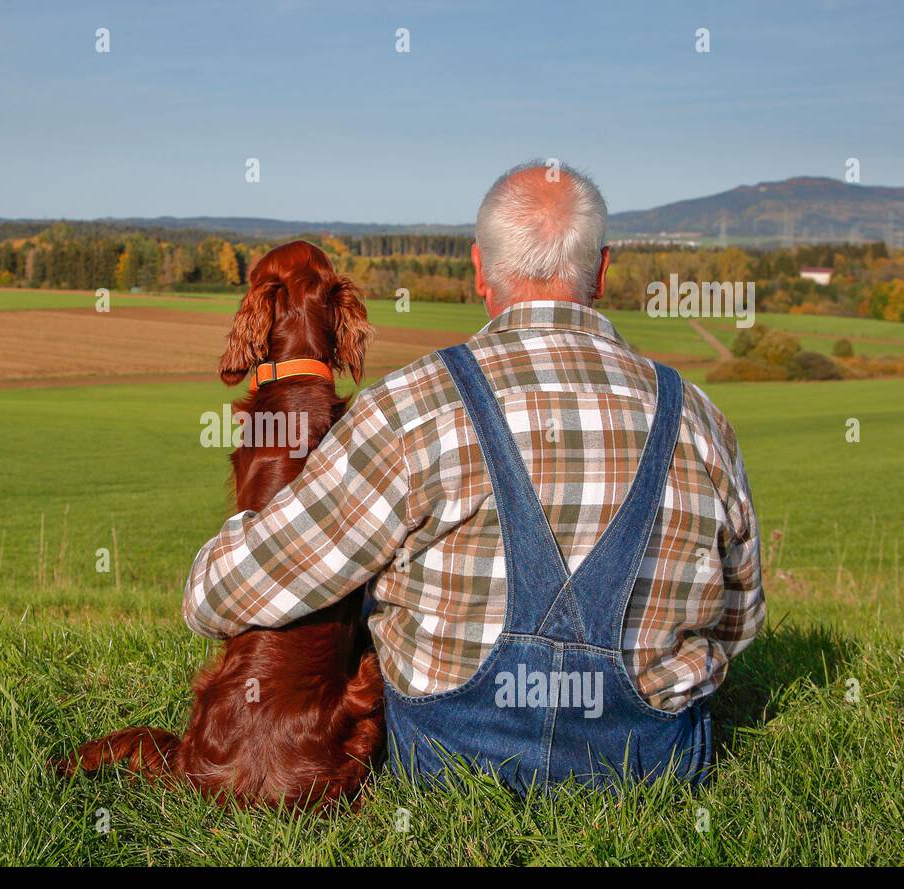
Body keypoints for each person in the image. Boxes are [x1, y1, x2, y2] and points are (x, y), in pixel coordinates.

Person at [183, 161, 765, 793]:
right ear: (601, 271)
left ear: (481, 270)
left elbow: (226, 595)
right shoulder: (701, 420)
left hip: (450, 760)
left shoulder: (410, 408)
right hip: (654, 762)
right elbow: (740, 622)